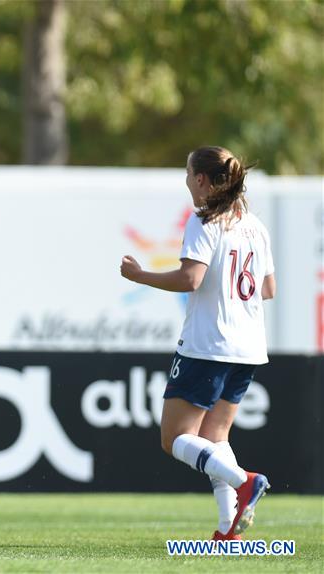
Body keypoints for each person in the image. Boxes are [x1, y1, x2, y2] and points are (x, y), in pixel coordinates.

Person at [120, 146, 275, 541]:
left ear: (203, 180)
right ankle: (228, 531)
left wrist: (141, 277)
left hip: (208, 345)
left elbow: (191, 279)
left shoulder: (205, 219)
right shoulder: (254, 225)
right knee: (214, 439)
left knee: (174, 439)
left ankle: (244, 481)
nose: (187, 181)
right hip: (249, 346)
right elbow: (269, 289)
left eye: (189, 174)